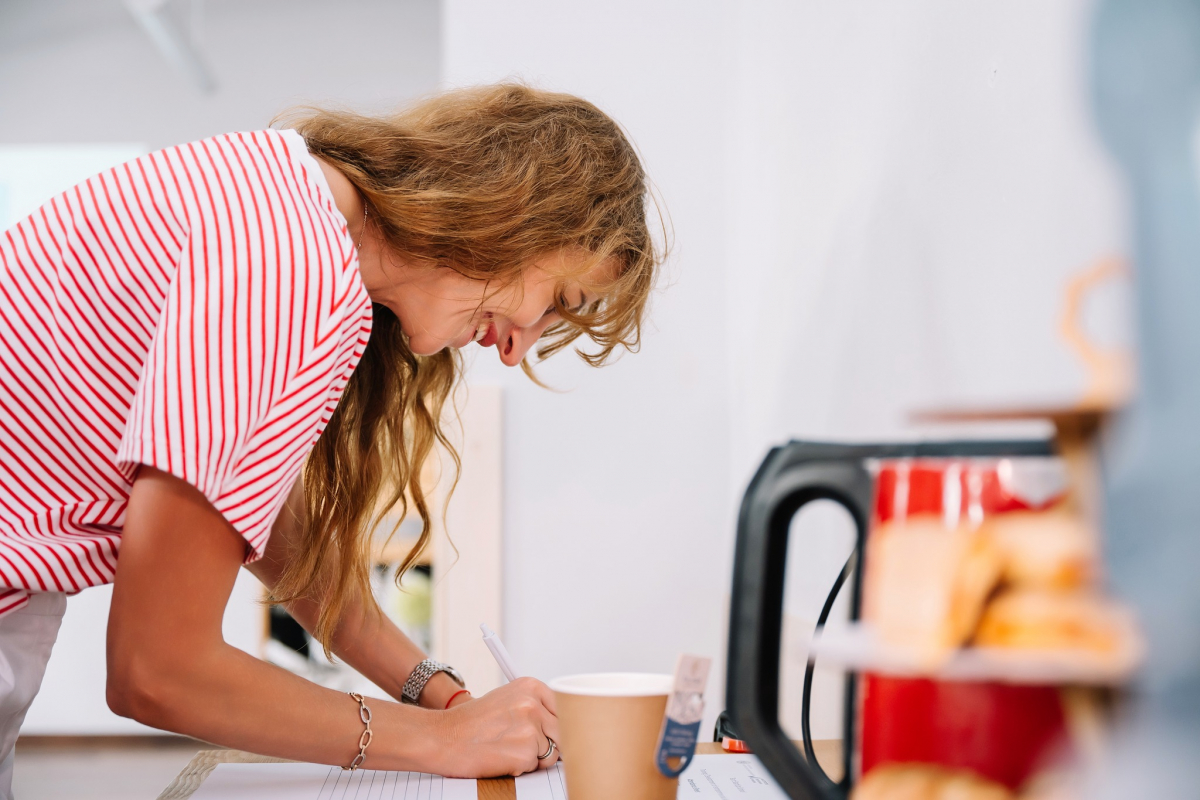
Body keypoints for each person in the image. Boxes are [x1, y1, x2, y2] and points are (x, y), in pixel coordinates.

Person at [0, 83, 660, 792]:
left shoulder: (284, 204)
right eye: (556, 303)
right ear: (513, 212)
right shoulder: (289, 275)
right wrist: (442, 741)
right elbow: (156, 671)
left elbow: (273, 534)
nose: (515, 351)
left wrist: (436, 693)